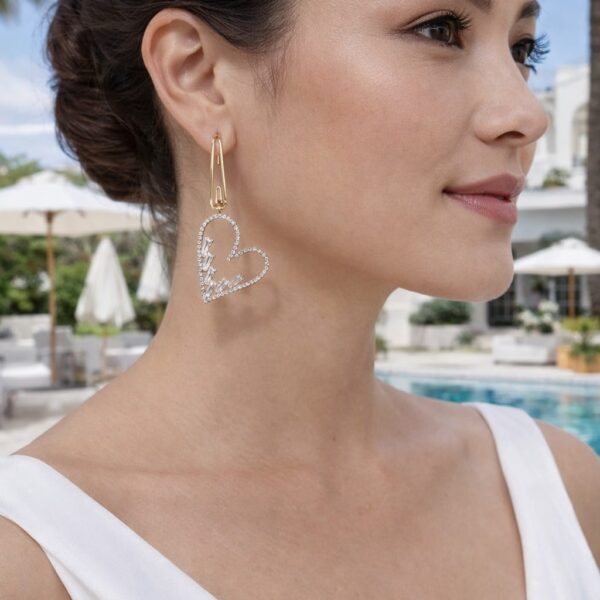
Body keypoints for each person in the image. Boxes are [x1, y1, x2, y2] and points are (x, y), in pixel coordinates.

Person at [1, 0, 599, 598]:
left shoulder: (561, 490)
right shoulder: (29, 564)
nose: (527, 114)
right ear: (199, 76)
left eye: (523, 49)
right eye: (440, 30)